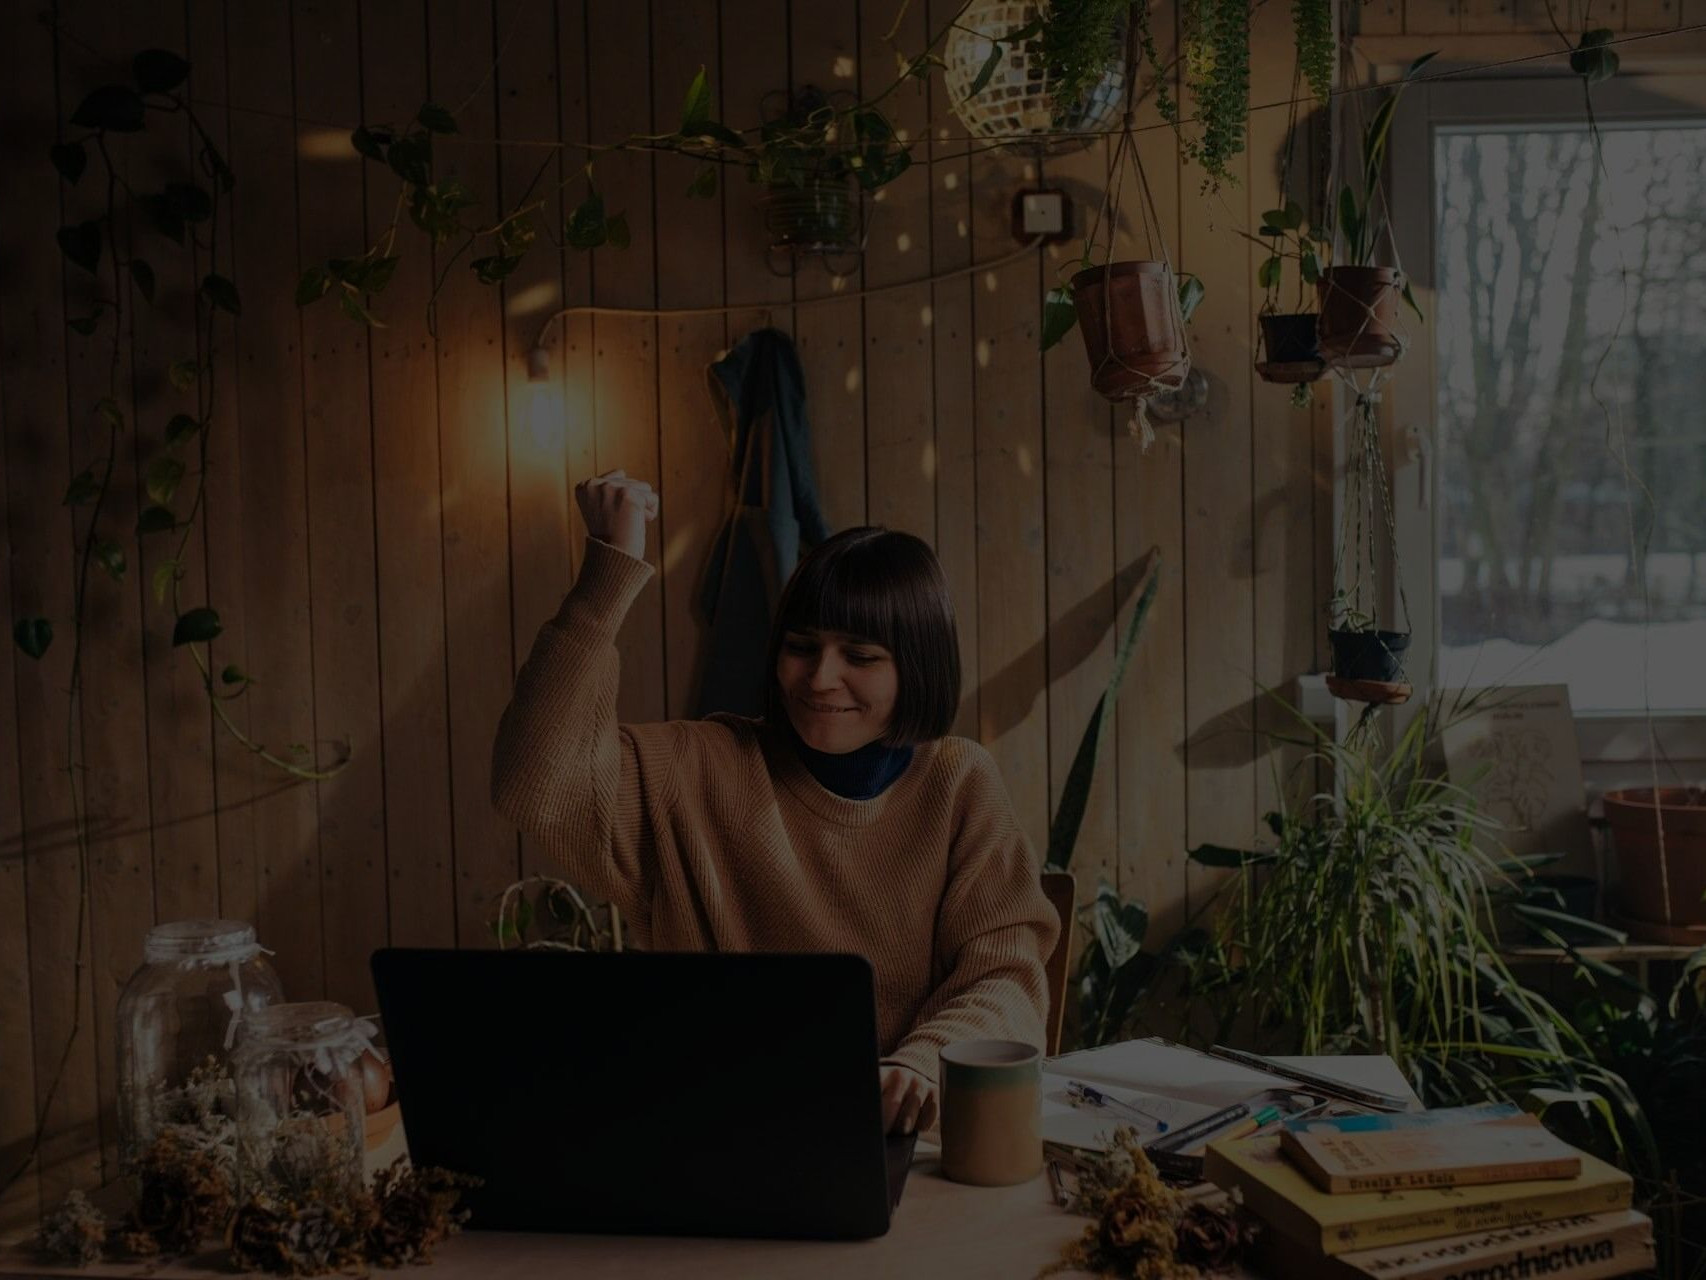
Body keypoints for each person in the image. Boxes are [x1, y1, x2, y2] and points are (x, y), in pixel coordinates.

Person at [491, 469, 1059, 1136]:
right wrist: (609, 572)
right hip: (715, 1128)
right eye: (801, 647)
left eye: (861, 655)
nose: (821, 679)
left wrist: (921, 1064)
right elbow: (533, 780)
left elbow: (1006, 976)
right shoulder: (698, 766)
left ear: (918, 667)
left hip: (898, 1136)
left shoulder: (960, 783)